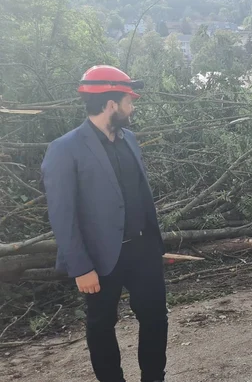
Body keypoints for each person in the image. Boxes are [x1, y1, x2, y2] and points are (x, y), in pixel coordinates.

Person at [41, 65, 168, 382]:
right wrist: (80, 266)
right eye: (129, 100)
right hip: (99, 259)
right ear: (111, 103)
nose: (132, 107)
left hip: (143, 252)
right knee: (101, 325)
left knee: (155, 319)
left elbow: (140, 195)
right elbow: (62, 214)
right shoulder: (65, 149)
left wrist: (154, 247)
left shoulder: (130, 140)